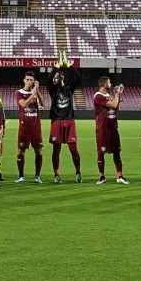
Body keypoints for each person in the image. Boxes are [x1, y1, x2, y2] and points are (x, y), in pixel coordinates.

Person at [47, 52, 82, 184]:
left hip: (69, 121)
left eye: (58, 76)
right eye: (55, 77)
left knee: (73, 149)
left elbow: (78, 78)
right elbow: (48, 80)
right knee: (56, 150)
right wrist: (55, 67)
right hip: (57, 121)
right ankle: (56, 174)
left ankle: (78, 172)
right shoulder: (53, 90)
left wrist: (68, 66)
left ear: (62, 78)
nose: (56, 78)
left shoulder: (69, 88)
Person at [93, 77, 128, 185]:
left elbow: (116, 108)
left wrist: (118, 95)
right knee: (101, 152)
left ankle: (119, 176)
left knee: (117, 152)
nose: (111, 84)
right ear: (104, 84)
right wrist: (117, 94)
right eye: (109, 82)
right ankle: (102, 177)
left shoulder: (108, 95)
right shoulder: (98, 95)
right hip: (103, 128)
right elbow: (113, 104)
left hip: (112, 127)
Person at [15, 71, 44, 183]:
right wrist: (33, 94)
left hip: (36, 126)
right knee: (21, 151)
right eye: (27, 79)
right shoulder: (19, 92)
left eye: (31, 80)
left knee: (39, 151)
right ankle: (21, 176)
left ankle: (37, 176)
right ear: (24, 80)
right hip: (24, 126)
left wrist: (37, 91)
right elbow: (23, 104)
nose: (29, 81)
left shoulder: (36, 92)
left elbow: (43, 104)